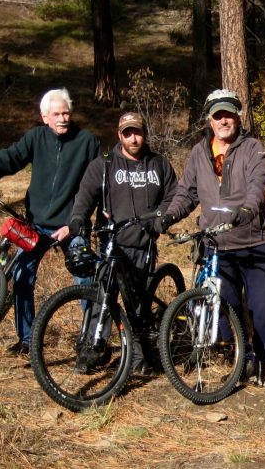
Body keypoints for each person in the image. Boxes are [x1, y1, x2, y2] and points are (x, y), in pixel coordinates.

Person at [161, 89, 265, 391]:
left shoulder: (253, 148)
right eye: (218, 115)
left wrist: (246, 210)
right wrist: (167, 217)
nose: (224, 120)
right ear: (209, 120)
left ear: (238, 117)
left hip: (252, 242)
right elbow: (186, 194)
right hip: (216, 245)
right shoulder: (198, 153)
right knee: (226, 308)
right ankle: (241, 357)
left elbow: (258, 186)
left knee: (261, 309)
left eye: (229, 114)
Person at [0, 88, 100, 356]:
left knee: (87, 280)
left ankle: (91, 341)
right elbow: (12, 156)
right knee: (22, 277)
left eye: (66, 113)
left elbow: (97, 184)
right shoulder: (36, 137)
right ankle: (27, 339)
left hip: (71, 225)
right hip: (36, 223)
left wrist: (80, 222)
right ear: (45, 117)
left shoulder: (87, 142)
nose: (63, 118)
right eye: (56, 114)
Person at [68, 112, 177, 374]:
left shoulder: (159, 164)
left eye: (137, 132)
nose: (133, 138)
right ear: (119, 135)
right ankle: (92, 350)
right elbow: (85, 197)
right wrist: (77, 220)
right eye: (127, 133)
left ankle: (140, 358)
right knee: (102, 299)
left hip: (143, 245)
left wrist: (159, 221)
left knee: (137, 304)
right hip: (110, 245)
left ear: (145, 133)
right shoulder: (103, 165)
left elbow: (173, 195)